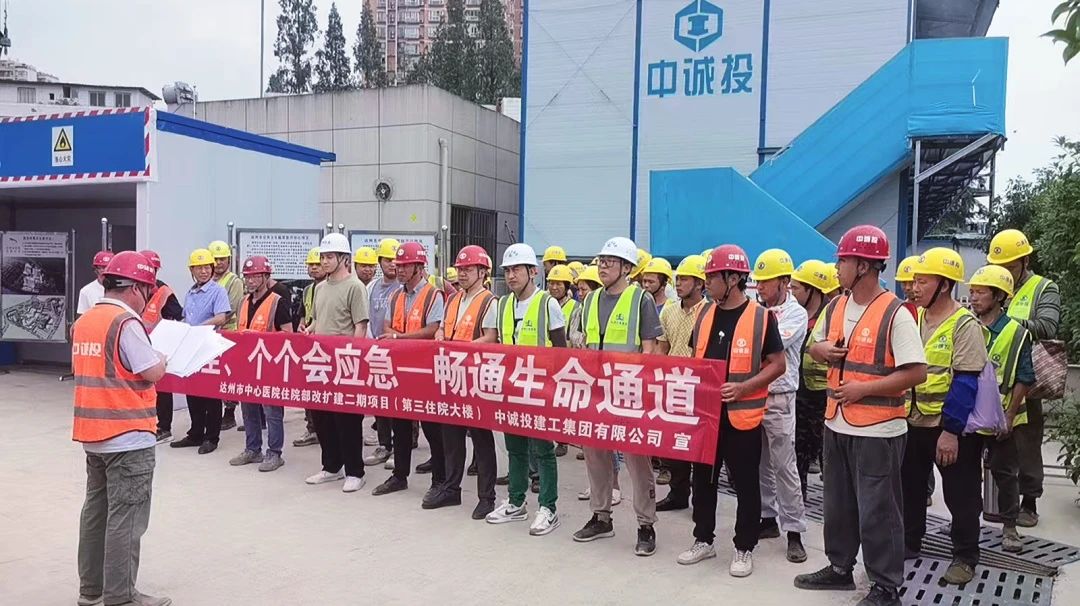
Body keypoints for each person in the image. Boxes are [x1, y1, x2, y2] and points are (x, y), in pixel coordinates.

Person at [794, 226, 926, 606]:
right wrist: (821, 350)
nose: (837, 268)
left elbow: (917, 372)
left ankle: (885, 587)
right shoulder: (836, 306)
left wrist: (864, 389)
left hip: (879, 430)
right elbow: (814, 345)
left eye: (843, 261)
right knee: (838, 503)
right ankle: (840, 568)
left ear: (864, 266)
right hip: (836, 421)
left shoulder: (895, 313)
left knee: (879, 511)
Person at [677, 244, 786, 578]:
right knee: (703, 481)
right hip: (707, 416)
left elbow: (778, 364)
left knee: (746, 484)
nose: (707, 282)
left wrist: (744, 388)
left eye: (712, 277)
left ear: (733, 278)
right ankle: (703, 539)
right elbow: (696, 359)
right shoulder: (704, 315)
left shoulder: (761, 317)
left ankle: (744, 546)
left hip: (743, 417)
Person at [72, 250, 171, 606]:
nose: (148, 298)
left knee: (96, 513)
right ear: (135, 288)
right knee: (126, 519)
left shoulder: (86, 321)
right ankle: (121, 596)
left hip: (94, 435)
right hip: (127, 437)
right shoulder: (125, 323)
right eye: (148, 290)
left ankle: (91, 591)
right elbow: (151, 371)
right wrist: (162, 359)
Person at [570, 237, 663, 555]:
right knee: (596, 456)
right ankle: (601, 517)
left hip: (629, 392)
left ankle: (646, 525)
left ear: (627, 267)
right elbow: (585, 342)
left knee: (637, 461)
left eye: (610, 261)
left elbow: (650, 349)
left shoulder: (641, 300)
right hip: (596, 392)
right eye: (601, 261)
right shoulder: (591, 300)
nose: (603, 266)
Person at [903, 248, 988, 585]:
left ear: (944, 285)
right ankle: (910, 541)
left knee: (961, 494)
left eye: (922, 282)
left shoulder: (964, 325)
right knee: (909, 487)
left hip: (949, 427)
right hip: (914, 421)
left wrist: (951, 431)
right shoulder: (916, 319)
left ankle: (965, 556)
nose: (915, 288)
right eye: (914, 281)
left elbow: (966, 382)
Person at [479, 243, 567, 536]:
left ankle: (548, 508)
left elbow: (561, 351)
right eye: (507, 270)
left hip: (540, 389)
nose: (511, 275)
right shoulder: (501, 305)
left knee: (543, 450)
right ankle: (516, 502)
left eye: (517, 269)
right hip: (510, 388)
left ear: (533, 272)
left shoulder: (547, 304)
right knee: (515, 448)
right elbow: (493, 343)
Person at [987, 228, 1061, 527]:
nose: (1004, 273)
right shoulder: (991, 286)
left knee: (1027, 440)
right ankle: (999, 501)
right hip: (993, 377)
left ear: (1025, 261)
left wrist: (1003, 320)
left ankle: (1029, 502)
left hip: (1026, 378)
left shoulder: (1044, 288)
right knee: (994, 441)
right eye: (999, 267)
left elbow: (1047, 326)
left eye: (1010, 267)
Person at [427, 245, 499, 518]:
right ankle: (451, 489)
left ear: (482, 272)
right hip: (452, 376)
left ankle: (486, 497)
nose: (463, 273)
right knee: (451, 437)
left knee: (481, 439)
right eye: (460, 269)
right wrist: (440, 338)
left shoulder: (489, 301)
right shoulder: (453, 299)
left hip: (476, 378)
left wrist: (462, 349)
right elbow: (443, 328)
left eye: (468, 269)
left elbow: (491, 337)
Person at [372, 242, 446, 500]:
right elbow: (387, 326)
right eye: (398, 265)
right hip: (400, 369)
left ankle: (440, 480)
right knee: (400, 425)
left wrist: (400, 338)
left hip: (425, 371)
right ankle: (399, 475)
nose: (399, 269)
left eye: (405, 265)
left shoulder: (433, 295)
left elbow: (433, 329)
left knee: (432, 428)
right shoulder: (396, 296)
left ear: (419, 267)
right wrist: (397, 337)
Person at [969, 264, 1034, 553]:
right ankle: (967, 523)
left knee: (1005, 473)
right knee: (966, 475)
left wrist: (1008, 416)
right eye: (972, 291)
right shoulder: (967, 326)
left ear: (998, 296)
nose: (974, 297)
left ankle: (1009, 527)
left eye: (980, 292)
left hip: (1002, 417)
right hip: (970, 417)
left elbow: (1025, 377)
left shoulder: (1016, 333)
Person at [749, 249, 809, 563]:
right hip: (754, 395)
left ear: (783, 282)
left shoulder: (795, 314)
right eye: (758, 281)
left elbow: (766, 347)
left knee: (784, 466)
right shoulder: (757, 310)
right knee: (759, 462)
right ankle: (767, 518)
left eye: (765, 281)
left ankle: (794, 531)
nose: (759, 287)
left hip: (780, 397)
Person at [303, 233, 370, 493]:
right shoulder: (320, 288)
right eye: (323, 257)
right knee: (322, 417)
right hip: (321, 362)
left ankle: (355, 471)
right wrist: (310, 329)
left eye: (330, 257)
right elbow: (318, 320)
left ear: (343, 258)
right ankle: (331, 466)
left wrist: (354, 360)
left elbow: (360, 326)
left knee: (347, 420)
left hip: (345, 363)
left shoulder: (355, 287)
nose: (324, 261)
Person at [228, 256, 294, 473]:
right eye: (247, 277)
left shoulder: (277, 301)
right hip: (247, 365)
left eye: (256, 276)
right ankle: (252, 448)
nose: (251, 281)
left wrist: (260, 338)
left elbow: (288, 334)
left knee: (272, 412)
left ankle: (274, 452)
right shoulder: (243, 302)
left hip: (270, 366)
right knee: (248, 409)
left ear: (266, 277)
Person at [655, 254, 708, 512]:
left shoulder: (709, 312)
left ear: (699, 283)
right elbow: (662, 347)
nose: (678, 283)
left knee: (699, 446)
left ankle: (701, 500)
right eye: (678, 279)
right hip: (673, 384)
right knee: (675, 442)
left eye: (685, 279)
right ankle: (678, 494)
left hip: (700, 386)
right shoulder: (669, 310)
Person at [170, 248, 232, 455]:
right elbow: (186, 317)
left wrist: (198, 328)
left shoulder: (218, 291)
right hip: (191, 347)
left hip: (209, 347)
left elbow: (221, 317)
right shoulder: (190, 293)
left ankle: (211, 437)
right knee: (193, 391)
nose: (204, 271)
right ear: (192, 271)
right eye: (199, 268)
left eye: (207, 267)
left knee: (210, 395)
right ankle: (195, 433)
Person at [789, 259, 831, 499]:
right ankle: (799, 500)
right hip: (799, 395)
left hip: (825, 398)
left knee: (829, 456)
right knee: (798, 454)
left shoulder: (831, 315)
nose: (792, 292)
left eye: (796, 288)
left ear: (812, 289)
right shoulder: (794, 314)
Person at [138, 250, 183, 445]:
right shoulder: (133, 288)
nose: (151, 273)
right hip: (137, 344)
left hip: (159, 347)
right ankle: (144, 424)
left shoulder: (164, 291)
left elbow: (178, 315)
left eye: (154, 269)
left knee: (162, 389)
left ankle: (164, 428)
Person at [363, 238, 402, 466]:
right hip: (376, 351)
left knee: (399, 403)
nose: (393, 264)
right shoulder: (372, 287)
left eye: (396, 260)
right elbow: (367, 318)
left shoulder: (403, 288)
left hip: (397, 352)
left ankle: (401, 447)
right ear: (380, 261)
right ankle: (384, 444)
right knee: (380, 402)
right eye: (388, 260)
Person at [208, 240, 244, 430]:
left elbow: (231, 308)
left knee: (229, 374)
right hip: (211, 334)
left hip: (228, 333)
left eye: (222, 259)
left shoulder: (233, 281)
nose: (219, 263)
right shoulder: (207, 281)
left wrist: (211, 321)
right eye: (216, 259)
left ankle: (229, 412)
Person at [293, 247, 325, 448]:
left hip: (326, 345)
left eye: (317, 264)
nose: (314, 268)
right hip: (309, 345)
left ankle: (324, 430)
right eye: (311, 264)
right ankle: (312, 429)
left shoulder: (331, 287)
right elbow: (304, 314)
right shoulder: (308, 290)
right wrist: (301, 325)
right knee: (309, 387)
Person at [568, 265, 602, 349]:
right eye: (578, 289)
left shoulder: (601, 313)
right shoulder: (577, 312)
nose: (580, 293)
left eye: (583, 290)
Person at [76, 251, 114, 318]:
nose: (104, 270)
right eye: (101, 267)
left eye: (107, 267)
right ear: (96, 269)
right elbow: (81, 318)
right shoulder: (86, 291)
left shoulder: (122, 289)